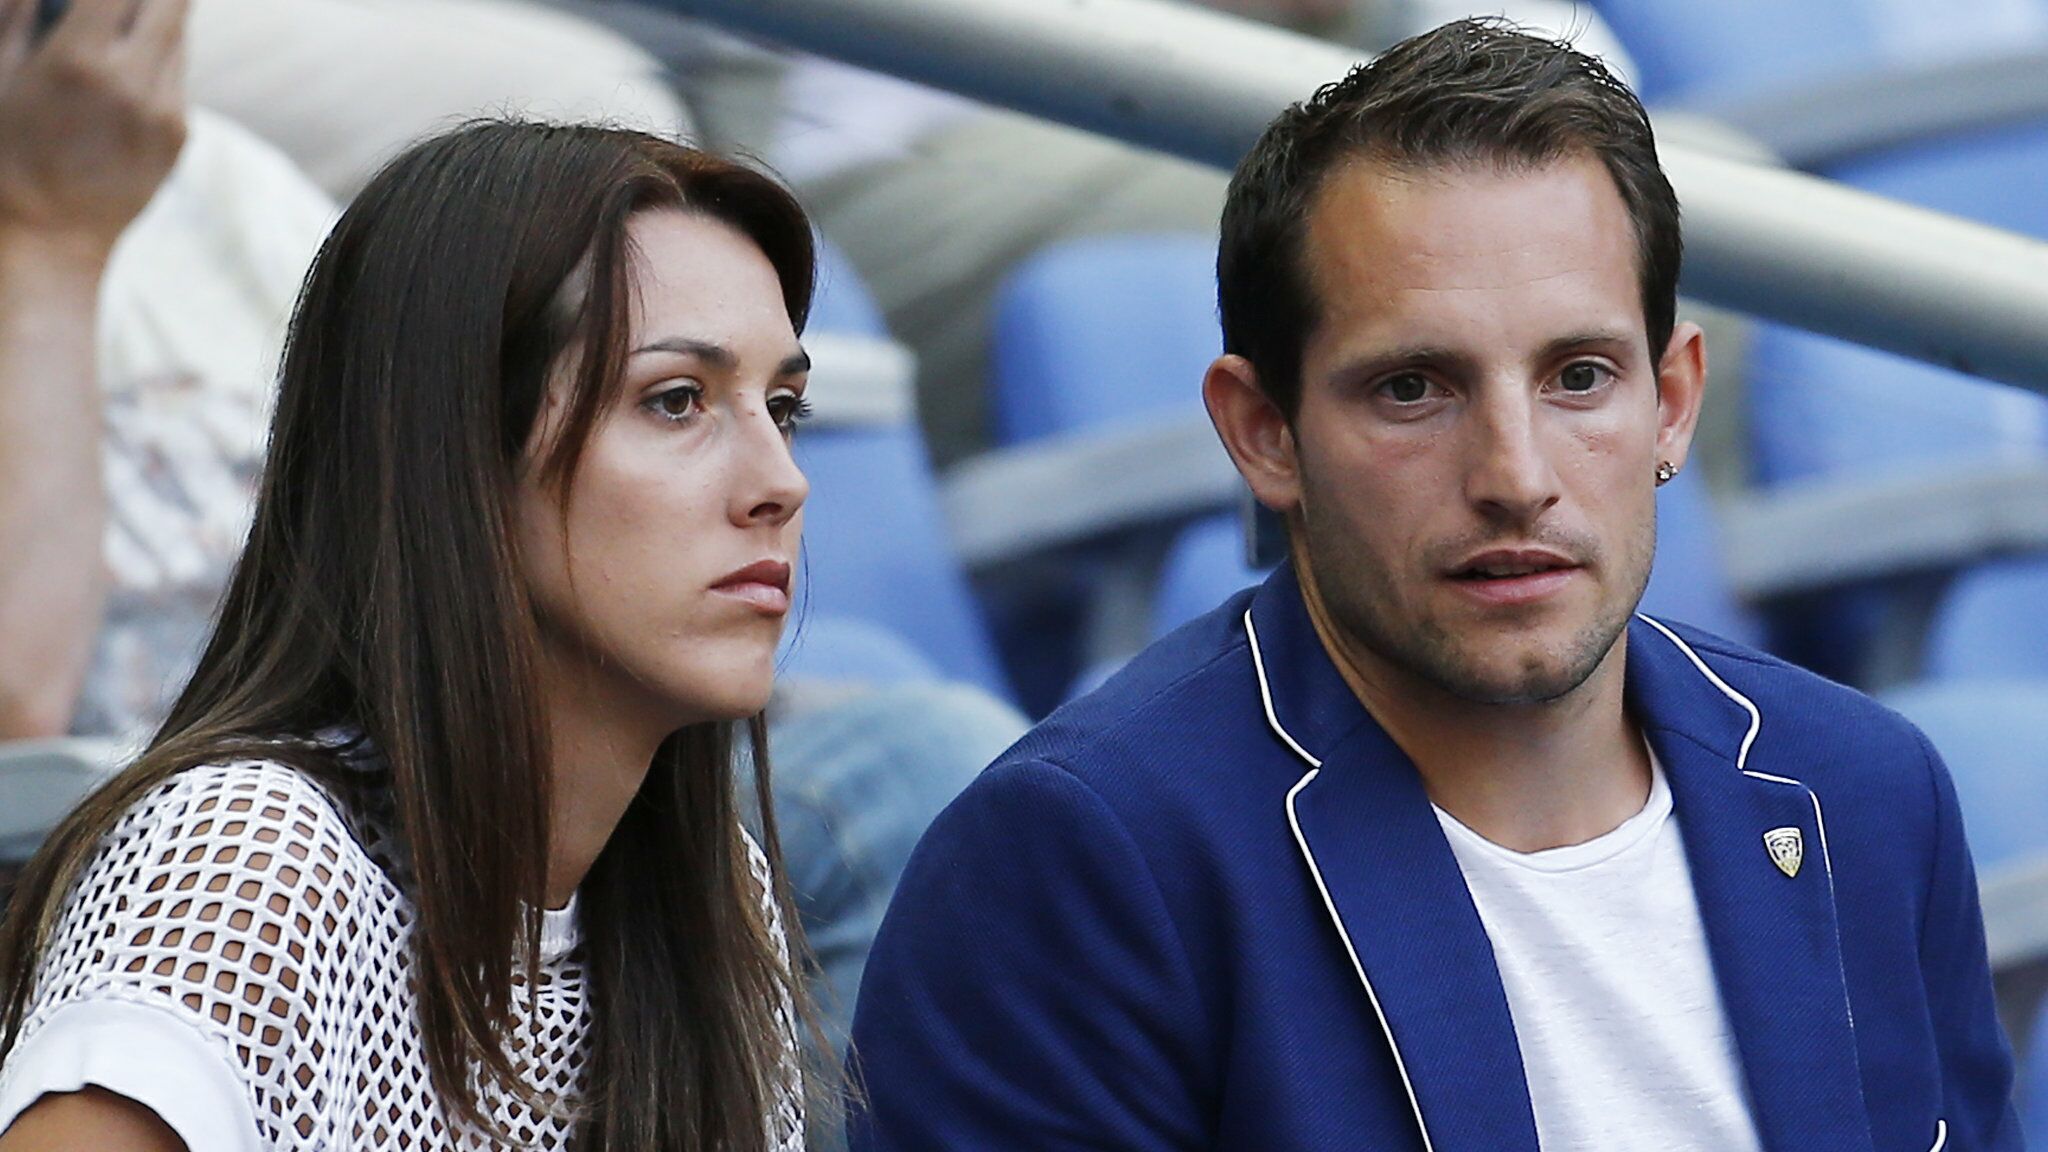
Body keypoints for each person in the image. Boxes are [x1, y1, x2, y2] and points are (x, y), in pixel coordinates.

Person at [845, 19, 2018, 1152]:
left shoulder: (1861, 791)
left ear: (1668, 404)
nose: (1514, 477)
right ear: (1261, 434)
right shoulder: (1077, 864)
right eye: (1412, 388)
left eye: (1575, 376)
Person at [0, 118, 825, 1149]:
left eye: (782, 408)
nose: (779, 484)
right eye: (674, 401)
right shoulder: (248, 868)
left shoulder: (711, 889)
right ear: (456, 456)